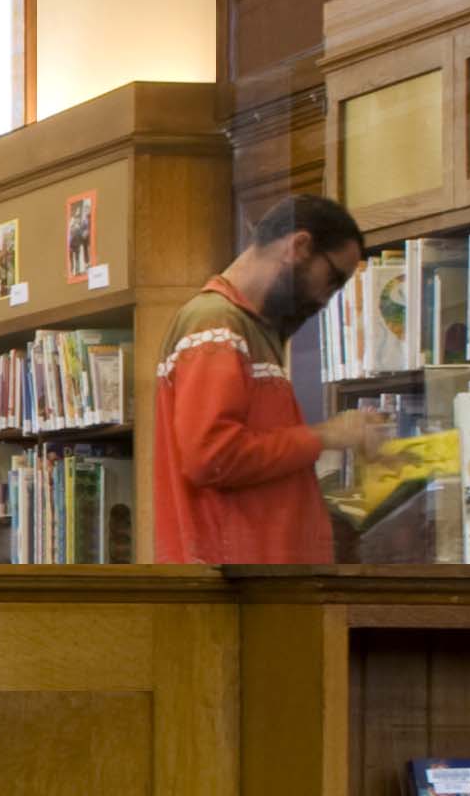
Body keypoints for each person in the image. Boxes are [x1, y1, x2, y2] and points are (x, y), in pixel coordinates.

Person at [147, 194, 392, 567]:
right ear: (300, 246)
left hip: (253, 577)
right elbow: (211, 456)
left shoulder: (251, 328)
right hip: (236, 584)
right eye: (333, 279)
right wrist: (324, 436)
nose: (328, 298)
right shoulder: (217, 324)